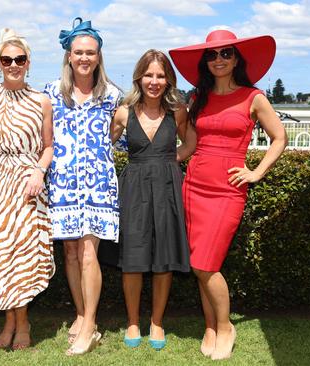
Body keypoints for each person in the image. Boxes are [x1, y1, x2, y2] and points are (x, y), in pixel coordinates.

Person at [169, 30, 288, 360]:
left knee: (207, 264)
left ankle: (225, 327)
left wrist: (255, 172)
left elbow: (279, 138)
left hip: (227, 192)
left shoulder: (254, 97)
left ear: (237, 58)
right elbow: (189, 143)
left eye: (226, 53)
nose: (218, 59)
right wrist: (158, 155)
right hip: (193, 186)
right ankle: (209, 326)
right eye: (212, 55)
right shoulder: (197, 99)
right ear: (205, 62)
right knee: (198, 265)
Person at [43, 17, 122, 356]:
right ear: (69, 56)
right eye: (79, 52)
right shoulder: (50, 93)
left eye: (91, 52)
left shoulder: (113, 96)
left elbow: (121, 138)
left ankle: (90, 324)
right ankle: (80, 313)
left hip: (98, 185)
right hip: (61, 184)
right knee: (71, 252)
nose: (85, 58)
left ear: (99, 56)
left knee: (90, 252)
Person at [0, 28, 54, 351]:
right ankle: (10, 321)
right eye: (7, 59)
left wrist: (37, 170)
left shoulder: (41, 101)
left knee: (22, 254)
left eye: (19, 59)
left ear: (28, 62)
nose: (13, 64)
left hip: (27, 184)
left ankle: (22, 324)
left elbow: (48, 146)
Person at [109, 49, 192, 350]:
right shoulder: (123, 112)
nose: (154, 81)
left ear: (168, 80)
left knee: (163, 259)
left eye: (160, 75)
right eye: (149, 75)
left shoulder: (178, 111)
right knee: (132, 259)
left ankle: (156, 322)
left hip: (167, 187)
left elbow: (191, 140)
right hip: (134, 187)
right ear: (139, 78)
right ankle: (133, 321)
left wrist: (174, 159)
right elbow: (105, 143)